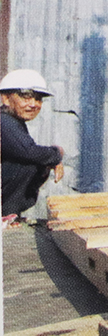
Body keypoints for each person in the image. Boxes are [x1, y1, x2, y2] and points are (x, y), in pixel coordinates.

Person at [1, 69, 64, 224]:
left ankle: (9, 213)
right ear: (6, 99)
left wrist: (52, 157)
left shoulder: (13, 120)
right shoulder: (4, 121)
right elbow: (29, 152)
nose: (33, 104)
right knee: (33, 161)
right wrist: (57, 154)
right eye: (26, 97)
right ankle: (6, 213)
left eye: (38, 99)